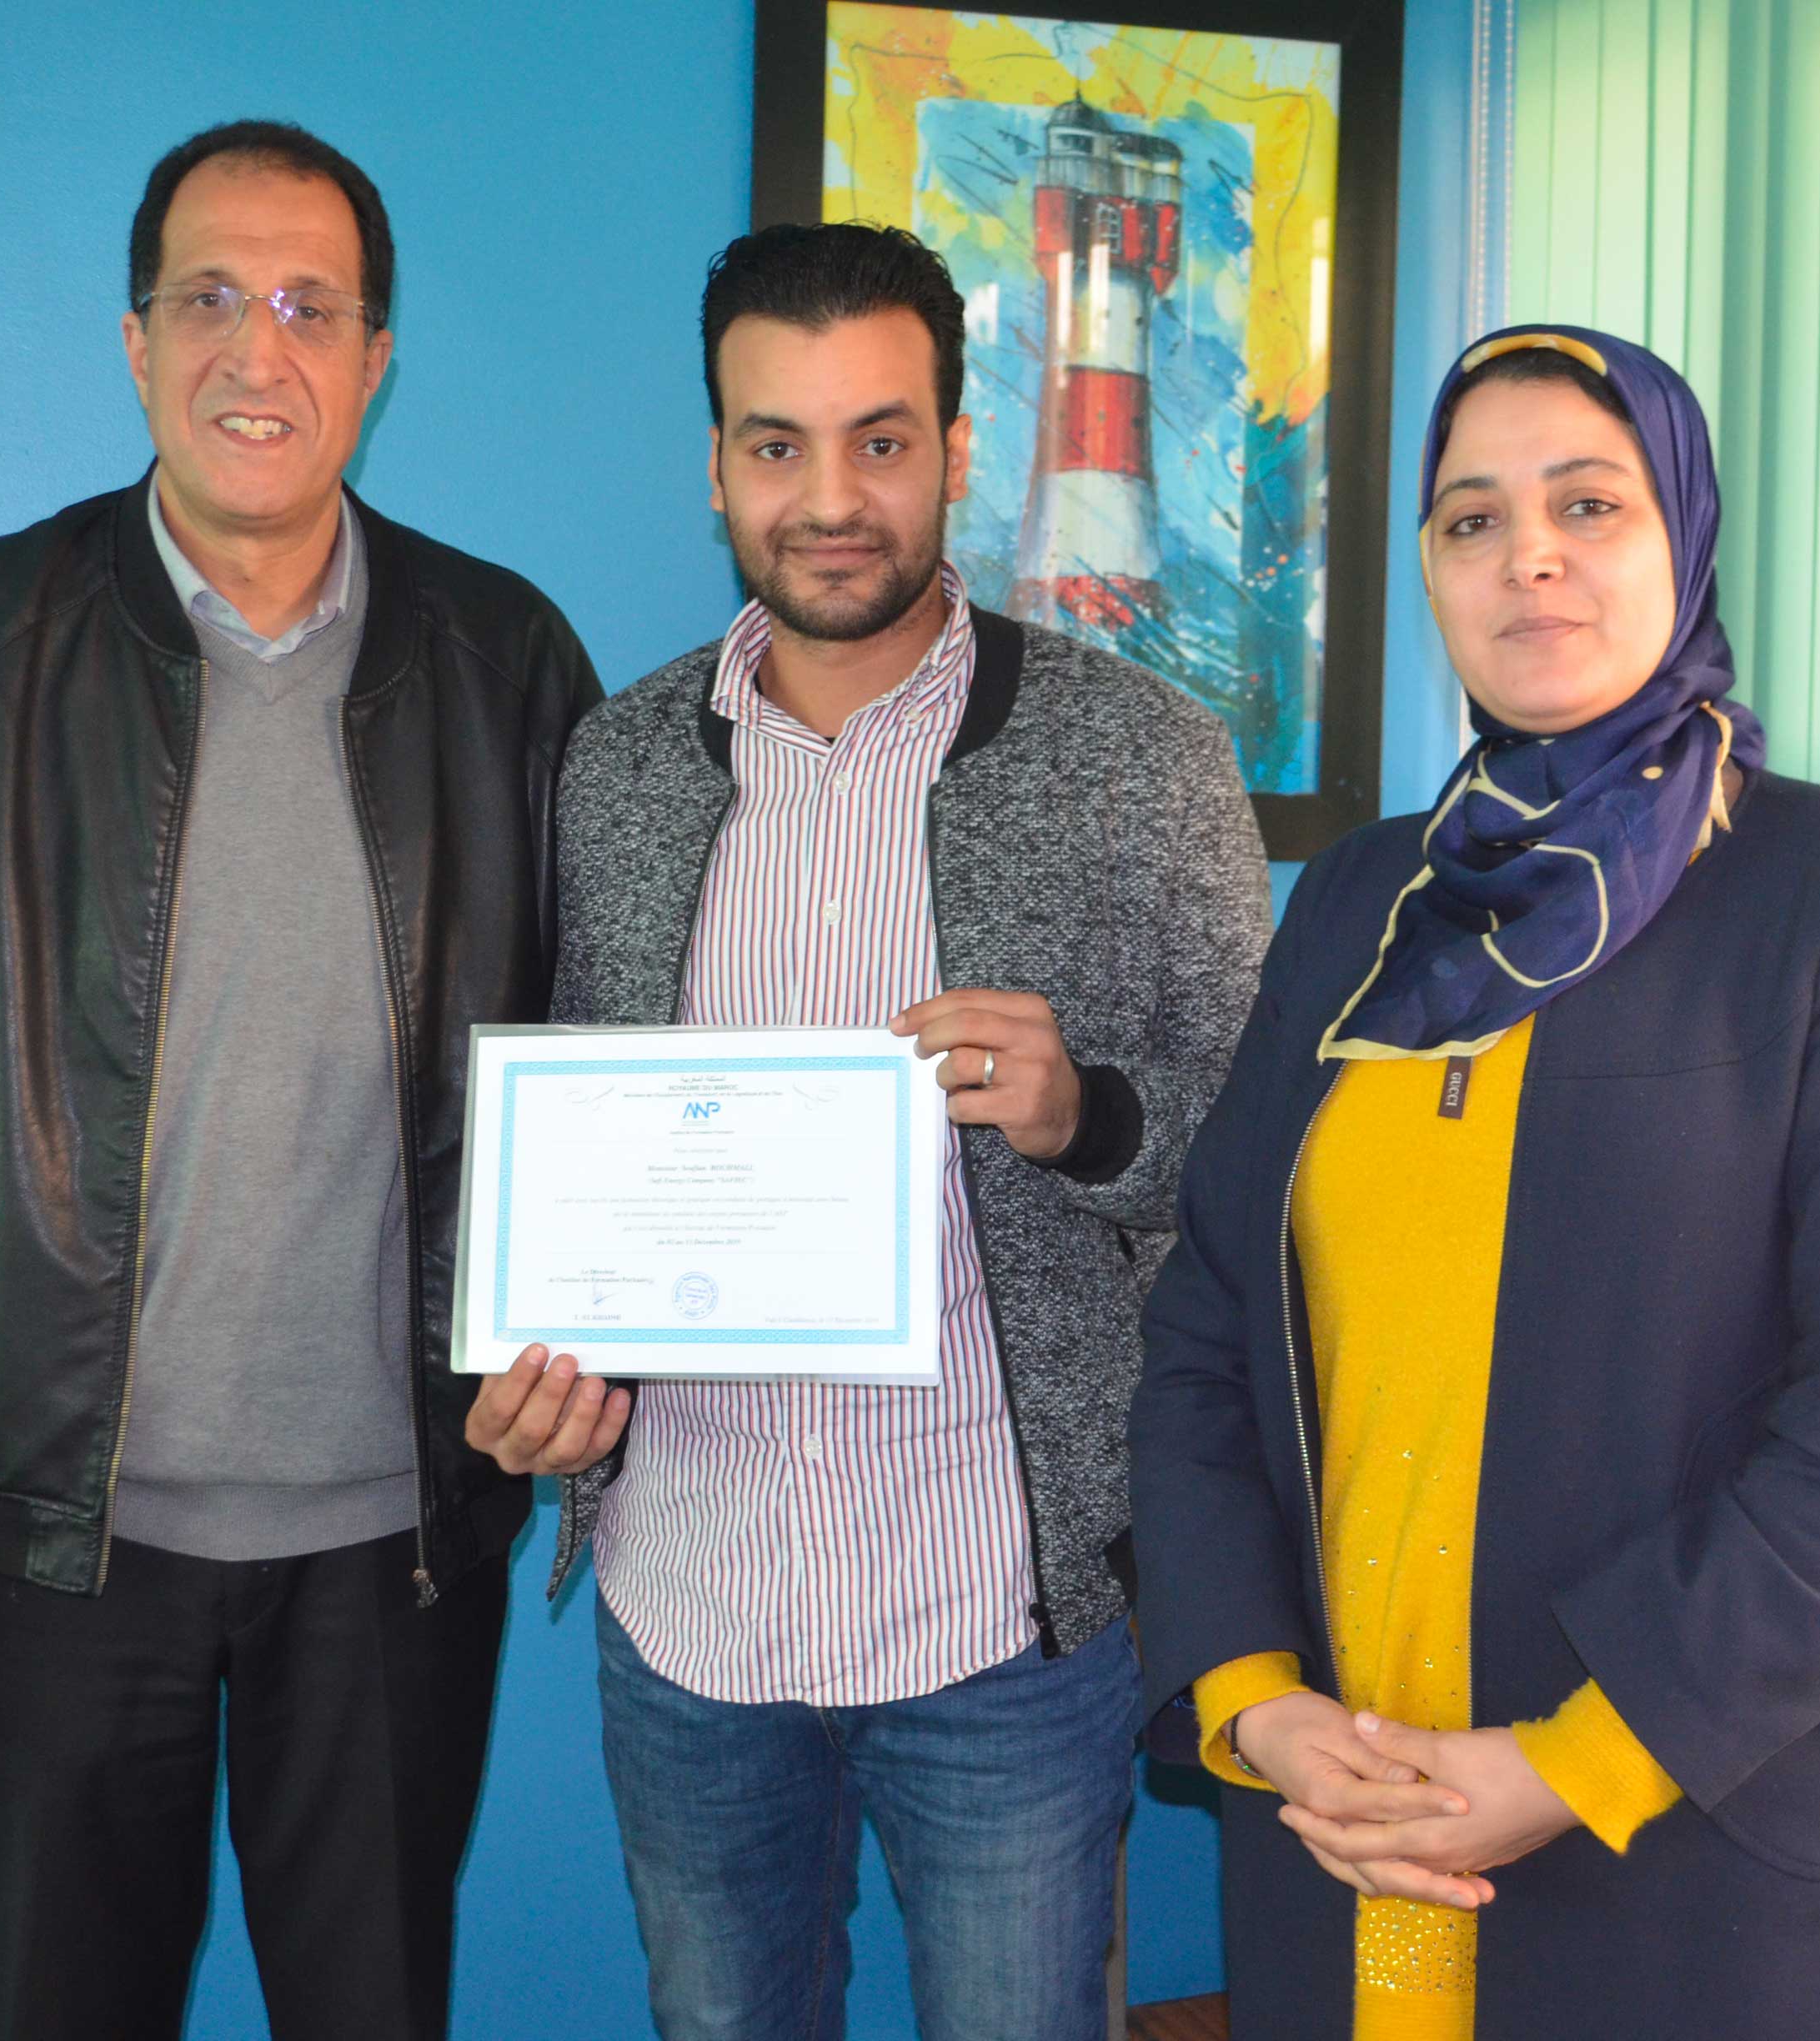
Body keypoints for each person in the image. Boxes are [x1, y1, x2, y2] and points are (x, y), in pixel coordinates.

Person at [0, 119, 599, 2038]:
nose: (258, 350)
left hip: (400, 1535)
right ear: (134, 339)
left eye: (312, 307)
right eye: (210, 297)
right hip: (62, 1533)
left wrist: (593, 1347)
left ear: (378, 359)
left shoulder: (510, 660)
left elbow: (603, 1055)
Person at [1126, 324, 1820, 2039]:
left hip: (1687, 1845)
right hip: (1349, 1823)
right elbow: (1210, 1327)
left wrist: (1572, 1759)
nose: (1525, 552)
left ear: (1680, 537)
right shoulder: (1360, 903)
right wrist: (1255, 1702)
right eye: (1470, 519)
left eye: (1587, 501)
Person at [462, 222, 1271, 2041]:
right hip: (691, 1615)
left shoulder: (1145, 762)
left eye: (882, 440)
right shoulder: (617, 763)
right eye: (777, 444)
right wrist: (538, 1380)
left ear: (959, 455)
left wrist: (1089, 1116)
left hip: (999, 1617)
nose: (831, 499)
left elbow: (1262, 1174)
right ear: (719, 464)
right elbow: (572, 1143)